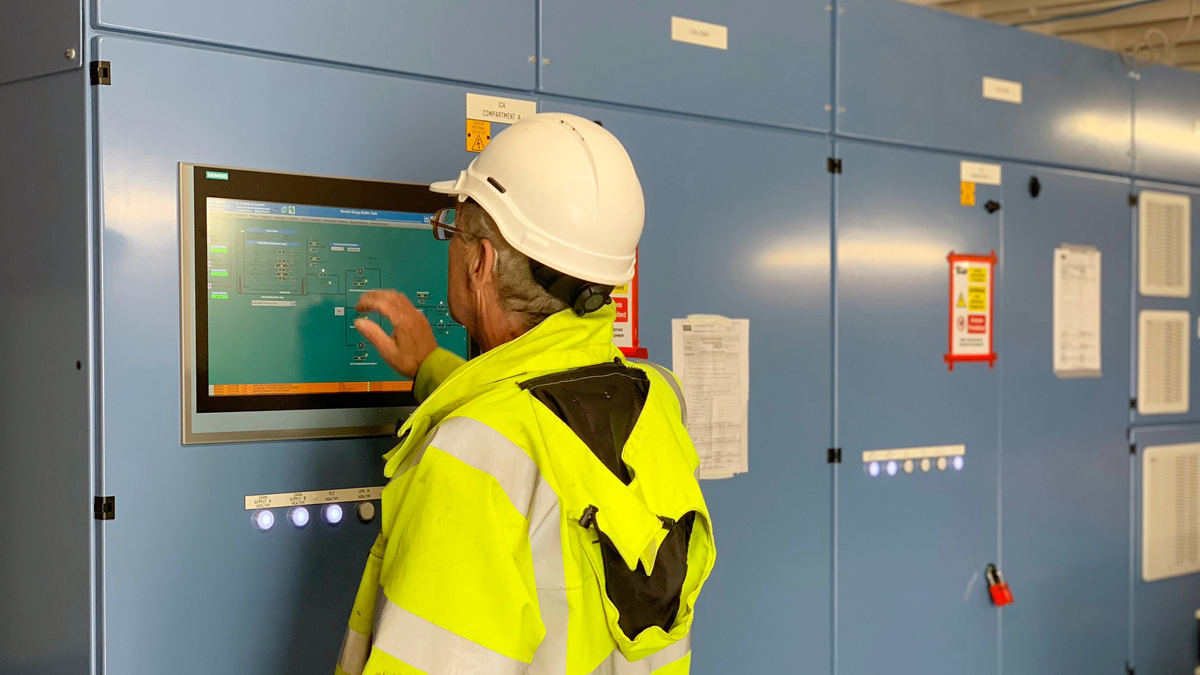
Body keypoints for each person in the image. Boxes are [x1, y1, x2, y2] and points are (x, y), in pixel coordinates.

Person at [334, 113, 715, 675]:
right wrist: (433, 369)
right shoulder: (656, 401)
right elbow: (553, 417)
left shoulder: (472, 458)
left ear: (481, 262)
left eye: (452, 232)